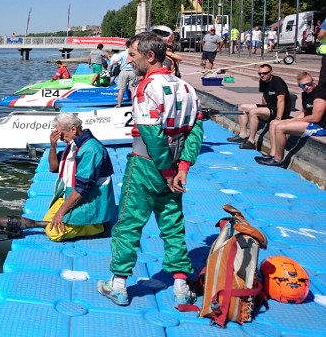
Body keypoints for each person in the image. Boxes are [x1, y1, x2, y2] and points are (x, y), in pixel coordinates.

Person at [97, 32, 203, 307]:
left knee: (130, 223)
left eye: (132, 55)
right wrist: (183, 168)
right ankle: (181, 285)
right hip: (175, 167)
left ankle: (118, 284)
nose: (128, 60)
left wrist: (167, 170)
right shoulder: (185, 88)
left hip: (147, 165)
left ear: (150, 56)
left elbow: (151, 135)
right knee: (173, 223)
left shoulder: (147, 88)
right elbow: (195, 130)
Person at [44, 113, 116, 241]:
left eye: (61, 134)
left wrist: (60, 213)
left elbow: (82, 189)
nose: (60, 138)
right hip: (73, 194)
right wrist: (53, 146)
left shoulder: (90, 149)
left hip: (90, 199)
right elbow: (53, 167)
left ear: (73, 129)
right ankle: (84, 223)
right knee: (47, 222)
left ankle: (99, 226)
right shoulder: (73, 144)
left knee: (53, 233)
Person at [256, 72, 326, 166]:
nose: (306, 87)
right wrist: (290, 120)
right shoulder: (305, 94)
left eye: (308, 84)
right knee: (274, 123)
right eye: (302, 85)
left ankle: (278, 159)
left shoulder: (320, 95)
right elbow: (304, 112)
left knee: (280, 128)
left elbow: (316, 118)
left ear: (313, 81)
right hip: (311, 123)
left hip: (321, 127)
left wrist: (294, 121)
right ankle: (272, 154)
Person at [228, 64, 291, 149]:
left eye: (265, 73)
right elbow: (264, 96)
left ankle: (251, 141)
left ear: (271, 72)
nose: (262, 75)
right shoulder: (262, 81)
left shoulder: (278, 82)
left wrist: (278, 118)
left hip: (279, 110)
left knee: (254, 112)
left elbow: (281, 100)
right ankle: (243, 135)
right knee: (242, 107)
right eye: (260, 73)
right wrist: (263, 109)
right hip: (269, 107)